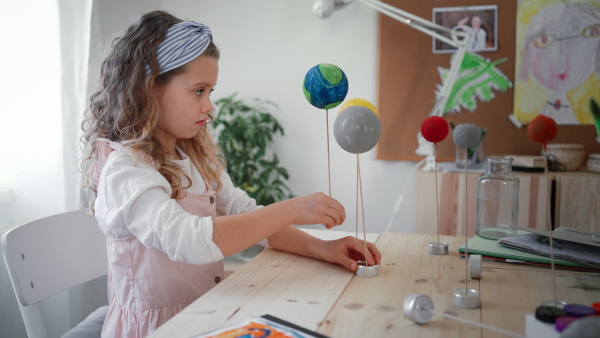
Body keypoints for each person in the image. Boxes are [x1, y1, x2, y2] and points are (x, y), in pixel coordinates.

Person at [79, 10, 381, 337]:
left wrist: (324, 248)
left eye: (211, 92)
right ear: (151, 89)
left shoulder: (190, 154)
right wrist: (292, 209)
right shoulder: (126, 170)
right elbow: (190, 240)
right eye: (199, 91)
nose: (209, 105)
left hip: (208, 313)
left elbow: (248, 216)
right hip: (158, 329)